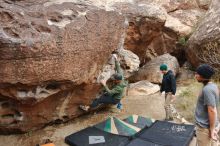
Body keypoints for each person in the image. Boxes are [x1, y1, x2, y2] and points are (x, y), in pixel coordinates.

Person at [194, 64, 219, 146]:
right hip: (210, 125)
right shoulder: (213, 86)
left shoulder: (207, 89)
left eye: (197, 74)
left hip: (205, 128)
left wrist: (212, 130)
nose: (195, 76)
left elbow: (212, 110)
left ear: (203, 76)